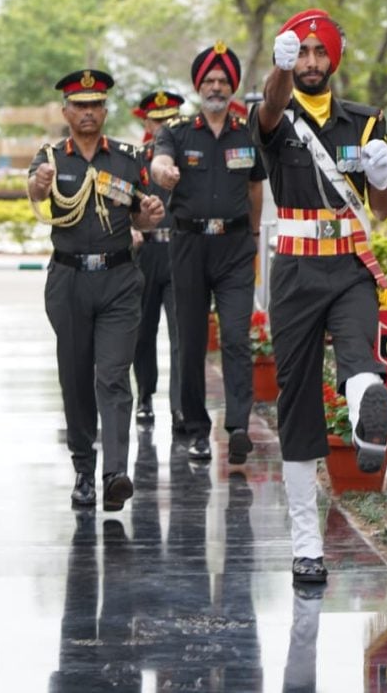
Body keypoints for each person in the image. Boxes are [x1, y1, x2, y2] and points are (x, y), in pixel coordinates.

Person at [251, 9, 387, 586]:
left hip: (349, 265)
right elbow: (269, 108)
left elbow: (381, 209)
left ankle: (367, 425)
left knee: (360, 354)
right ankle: (306, 543)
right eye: (302, 52)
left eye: (319, 52)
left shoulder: (364, 122)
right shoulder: (275, 113)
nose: (311, 62)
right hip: (295, 270)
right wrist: (278, 71)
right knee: (297, 398)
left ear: (333, 58)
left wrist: (381, 178)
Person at [27, 69, 165, 512]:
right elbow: (35, 191)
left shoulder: (127, 158)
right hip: (69, 281)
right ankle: (84, 469)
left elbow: (141, 215)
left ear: (105, 111)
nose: (88, 112)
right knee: (75, 378)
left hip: (119, 279)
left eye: (95, 105)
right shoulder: (50, 158)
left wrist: (149, 215)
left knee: (113, 375)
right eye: (79, 105)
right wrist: (39, 184)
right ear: (66, 111)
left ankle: (115, 474)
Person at [150, 41, 267, 465]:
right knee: (191, 341)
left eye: (222, 81)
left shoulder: (247, 133)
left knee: (235, 337)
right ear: (199, 87)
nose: (216, 87)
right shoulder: (177, 131)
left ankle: (238, 427)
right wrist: (163, 172)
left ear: (232, 87)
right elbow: (159, 162)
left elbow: (255, 187)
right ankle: (197, 429)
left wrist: (253, 233)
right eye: (209, 81)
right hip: (189, 246)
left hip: (234, 247)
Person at [131, 89, 185, 433]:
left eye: (170, 119)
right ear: (147, 123)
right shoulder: (136, 159)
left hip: (180, 250)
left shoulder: (190, 156)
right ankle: (145, 396)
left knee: (182, 334)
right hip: (146, 252)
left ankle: (179, 406)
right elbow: (121, 199)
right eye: (157, 120)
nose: (164, 126)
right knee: (143, 330)